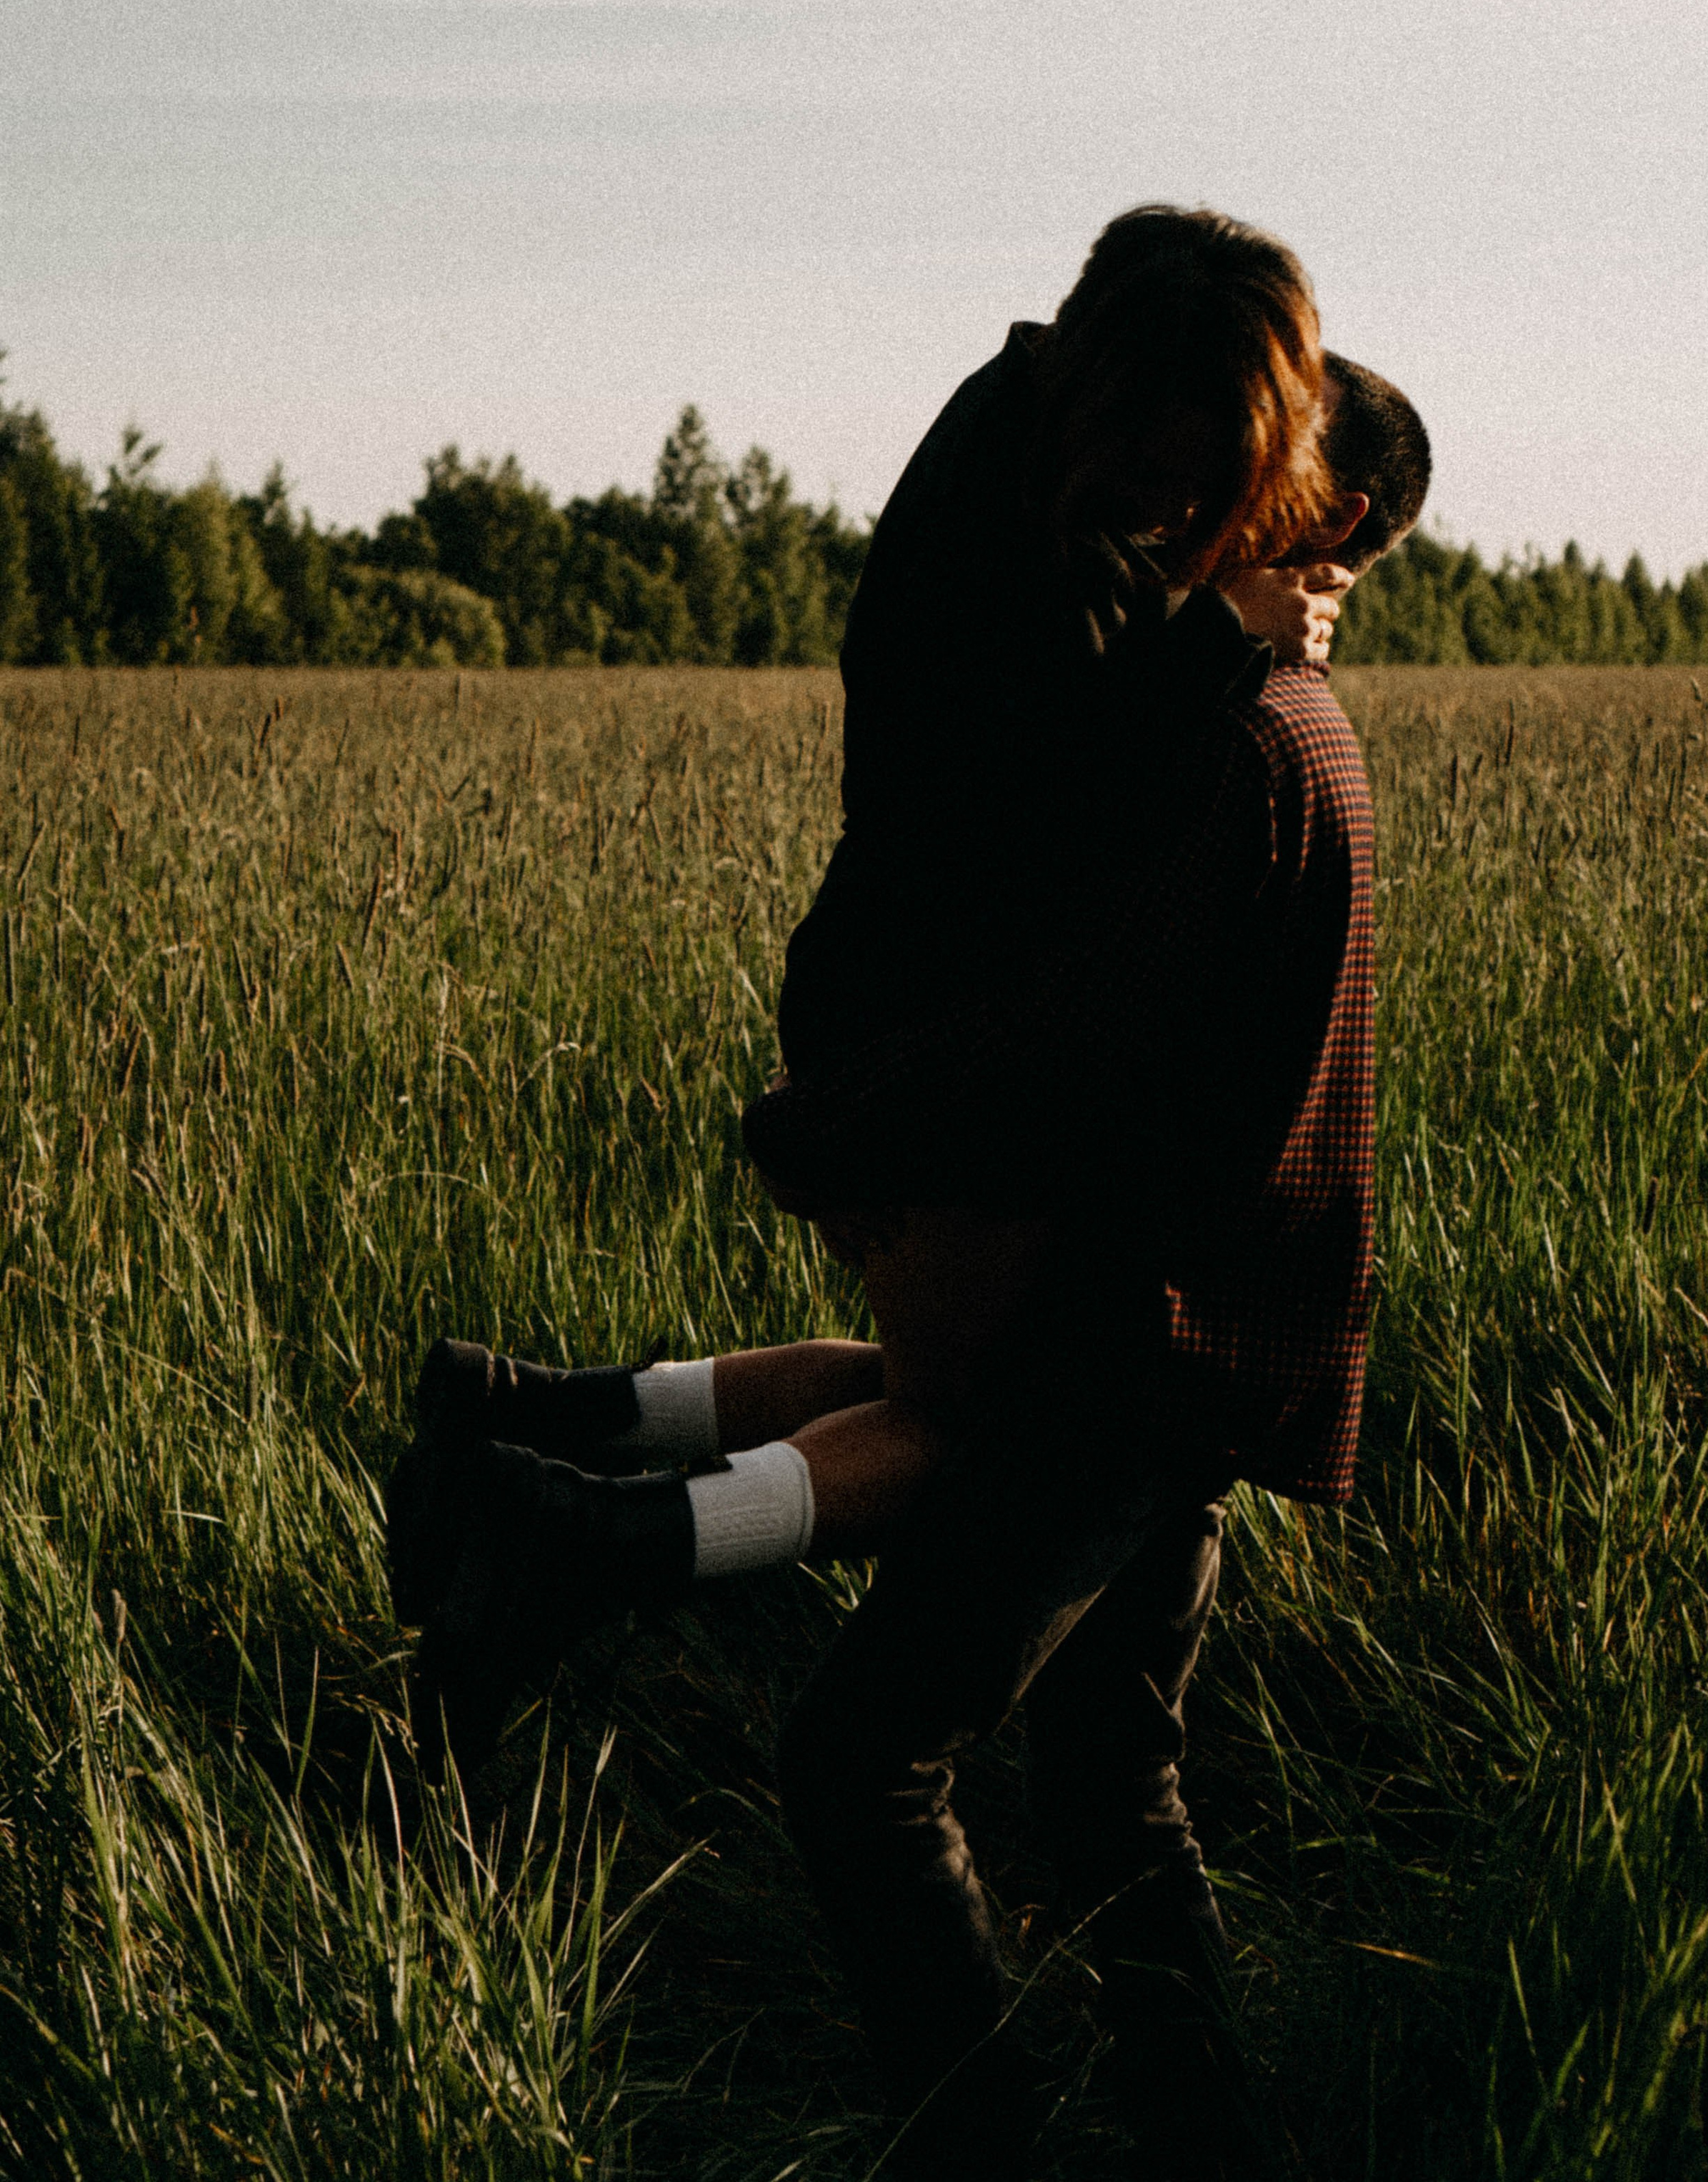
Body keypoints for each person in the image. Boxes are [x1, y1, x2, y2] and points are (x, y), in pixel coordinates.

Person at [386, 219, 1430, 2171]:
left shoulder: (1171, 610)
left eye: (1217, 487)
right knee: (1025, 1584)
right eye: (1159, 474)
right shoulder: (1071, 591)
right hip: (982, 1107)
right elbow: (1031, 877)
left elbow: (1145, 1007)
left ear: (1296, 484)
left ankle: (557, 1478)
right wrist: (859, 1143)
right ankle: (564, 1498)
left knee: (1013, 1606)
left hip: (1108, 1234)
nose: (1176, 511)